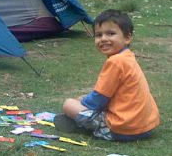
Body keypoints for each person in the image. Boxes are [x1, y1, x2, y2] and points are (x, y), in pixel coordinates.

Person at [54, 9, 159, 141]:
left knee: (69, 104)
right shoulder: (127, 57)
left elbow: (99, 99)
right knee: (82, 99)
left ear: (127, 37)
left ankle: (88, 127)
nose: (103, 39)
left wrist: (81, 103)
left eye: (110, 33)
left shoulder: (115, 62)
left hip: (124, 129)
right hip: (147, 127)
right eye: (98, 35)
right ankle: (82, 123)